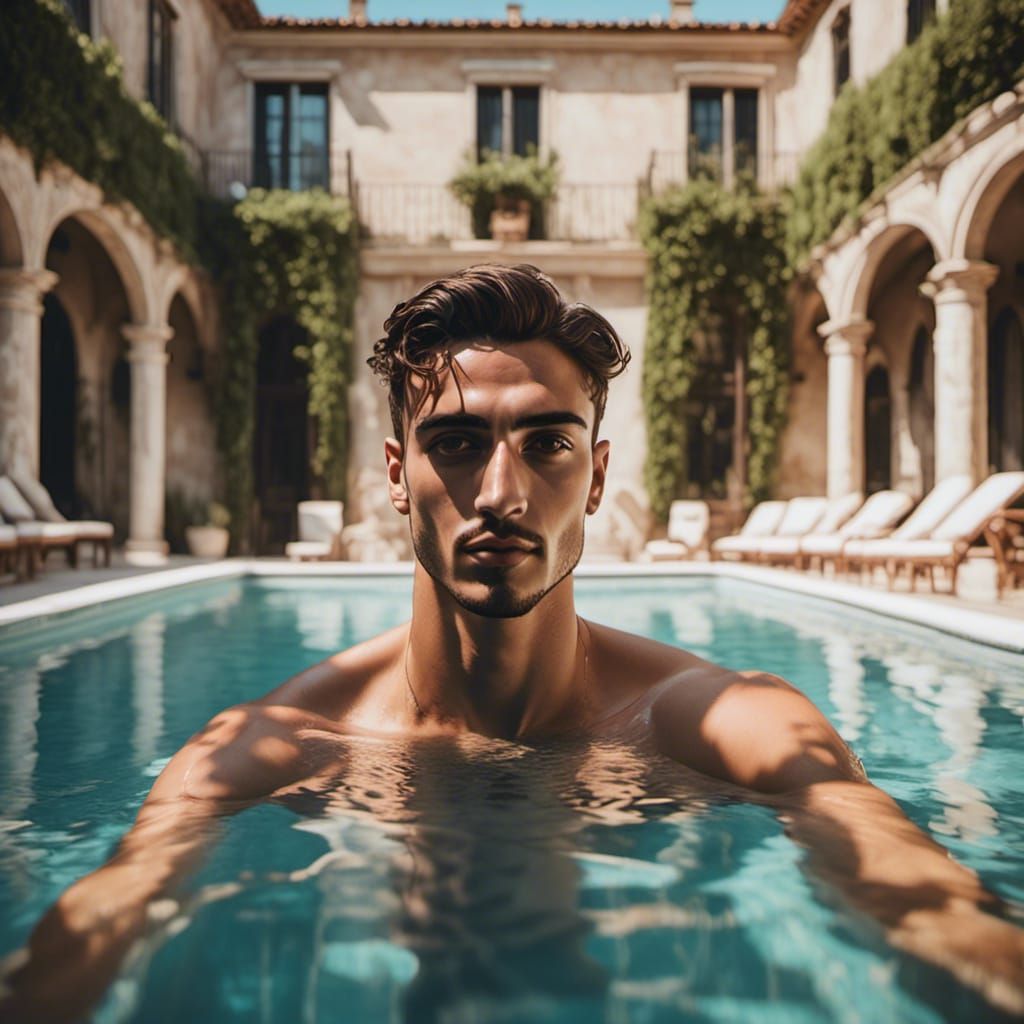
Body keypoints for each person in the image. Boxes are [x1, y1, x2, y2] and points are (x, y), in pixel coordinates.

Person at [2, 264, 1022, 1022]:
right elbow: (85, 941)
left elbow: (922, 898)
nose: (501, 494)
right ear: (398, 474)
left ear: (598, 472)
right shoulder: (268, 746)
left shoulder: (724, 718)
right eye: (457, 443)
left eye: (547, 444)